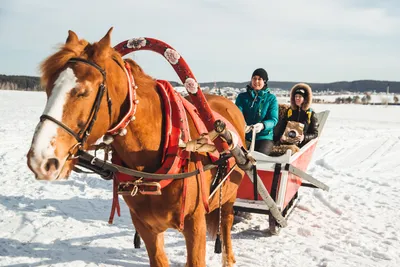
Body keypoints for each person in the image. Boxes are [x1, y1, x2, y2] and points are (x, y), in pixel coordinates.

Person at [235, 68, 278, 155]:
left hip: (264, 137)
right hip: (245, 135)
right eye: (254, 78)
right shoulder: (242, 97)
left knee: (259, 159)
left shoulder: (271, 99)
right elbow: (237, 114)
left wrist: (263, 125)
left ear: (265, 81)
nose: (256, 81)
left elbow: (273, 119)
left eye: (259, 79)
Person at [276, 83, 319, 147]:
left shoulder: (310, 114)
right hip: (287, 142)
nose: (297, 98)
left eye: (300, 96)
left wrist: (304, 137)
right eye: (296, 96)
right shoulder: (289, 111)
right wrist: (281, 136)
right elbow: (282, 127)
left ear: (305, 99)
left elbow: (315, 134)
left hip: (301, 145)